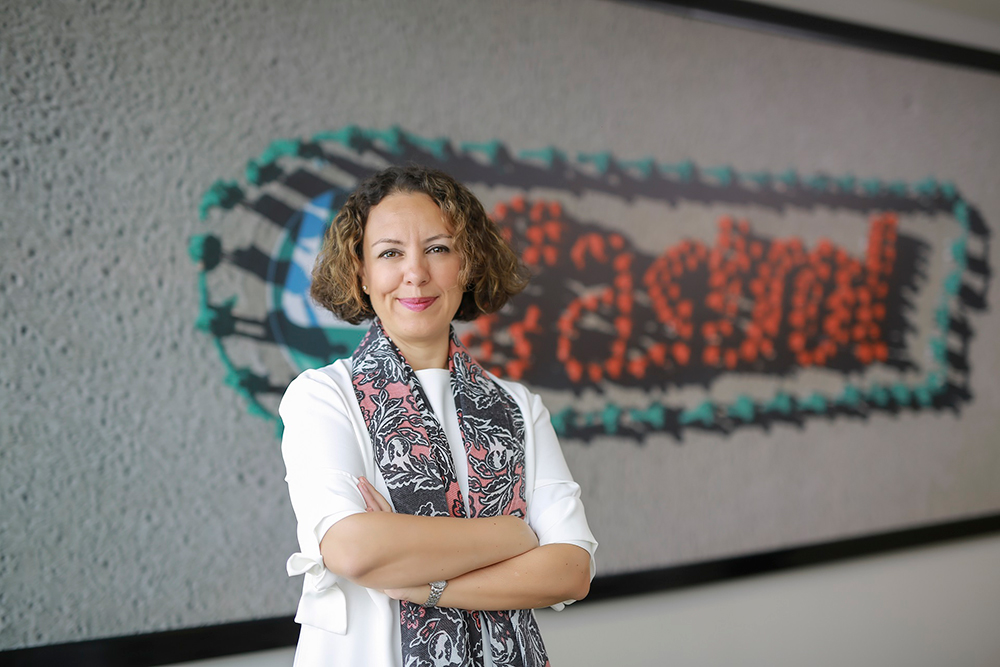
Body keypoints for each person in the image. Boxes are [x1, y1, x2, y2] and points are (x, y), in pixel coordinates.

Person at [280, 164, 597, 667]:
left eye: (438, 249)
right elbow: (353, 550)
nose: (416, 273)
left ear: (467, 264)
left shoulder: (518, 407)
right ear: (361, 273)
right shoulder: (322, 397)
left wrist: (420, 584)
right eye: (390, 253)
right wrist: (513, 535)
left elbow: (571, 571)